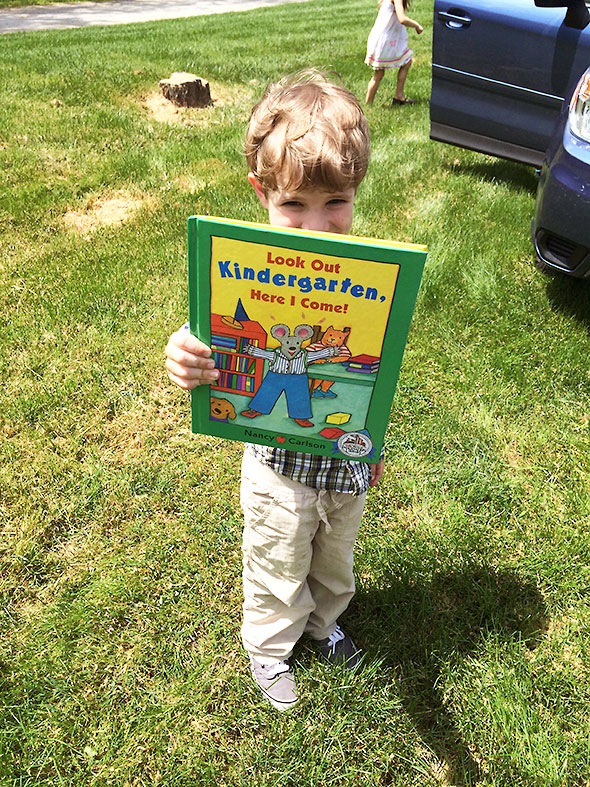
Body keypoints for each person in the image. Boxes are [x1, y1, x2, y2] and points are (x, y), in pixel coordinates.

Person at [165, 70, 384, 712]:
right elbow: (212, 332)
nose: (316, 225)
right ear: (261, 192)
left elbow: (375, 370)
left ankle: (324, 623)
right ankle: (269, 645)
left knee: (335, 558)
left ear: (356, 190)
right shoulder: (245, 270)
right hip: (277, 466)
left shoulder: (369, 276)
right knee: (277, 558)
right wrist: (187, 354)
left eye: (335, 201)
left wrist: (373, 443)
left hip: (345, 461)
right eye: (294, 205)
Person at [365, 0, 423, 106]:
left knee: (380, 73)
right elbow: (402, 19)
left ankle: (370, 103)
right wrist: (417, 25)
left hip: (381, 39)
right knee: (382, 73)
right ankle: (397, 96)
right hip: (385, 42)